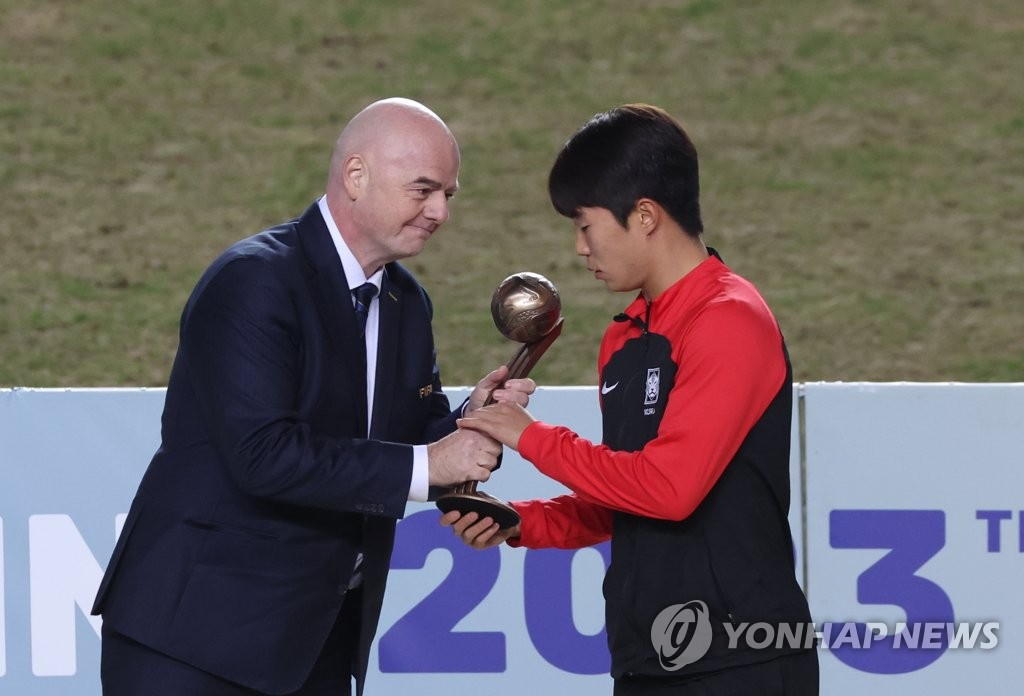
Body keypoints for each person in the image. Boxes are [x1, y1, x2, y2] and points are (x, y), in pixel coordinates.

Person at [92, 97, 535, 696]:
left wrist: (472, 424)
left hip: (314, 646)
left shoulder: (408, 303)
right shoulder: (252, 280)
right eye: (424, 189)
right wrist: (432, 461)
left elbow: (413, 445)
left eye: (448, 195)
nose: (439, 212)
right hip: (193, 645)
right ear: (357, 176)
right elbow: (264, 454)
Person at [442, 104, 818, 695]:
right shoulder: (625, 337)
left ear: (644, 215)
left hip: (742, 664)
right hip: (649, 660)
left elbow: (669, 490)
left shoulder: (729, 319)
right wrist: (522, 523)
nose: (579, 248)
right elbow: (628, 494)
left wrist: (529, 435)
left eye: (585, 225)